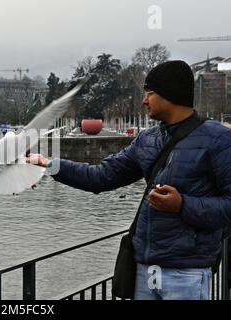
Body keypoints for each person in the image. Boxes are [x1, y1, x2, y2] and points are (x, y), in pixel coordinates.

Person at [27, 60, 231, 300]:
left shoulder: (219, 140)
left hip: (187, 273)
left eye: (150, 93)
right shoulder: (148, 139)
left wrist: (182, 205)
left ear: (170, 94)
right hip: (144, 270)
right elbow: (101, 177)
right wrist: (49, 165)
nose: (144, 100)